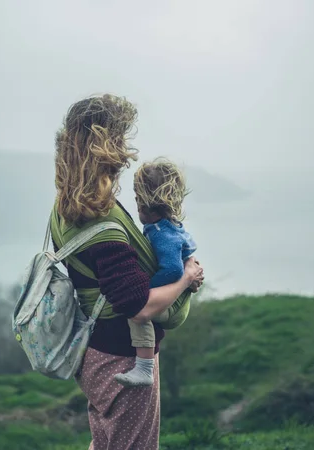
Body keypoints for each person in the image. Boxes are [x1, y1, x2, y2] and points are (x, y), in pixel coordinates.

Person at [49, 94, 204, 450]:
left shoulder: (66, 204)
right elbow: (140, 308)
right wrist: (186, 278)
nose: (124, 148)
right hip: (124, 359)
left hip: (93, 353)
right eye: (119, 137)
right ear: (104, 148)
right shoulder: (105, 225)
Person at [114, 158, 198, 388]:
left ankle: (143, 368)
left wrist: (148, 289)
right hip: (179, 297)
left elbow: (172, 269)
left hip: (172, 306)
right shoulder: (169, 225)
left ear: (144, 205)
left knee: (137, 311)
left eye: (137, 199)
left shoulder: (162, 234)